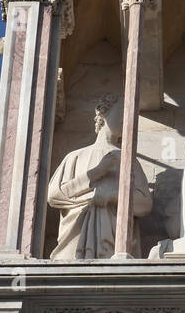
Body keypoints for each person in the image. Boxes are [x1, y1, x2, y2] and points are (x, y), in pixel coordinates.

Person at [48, 97, 152, 259]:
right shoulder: (75, 156)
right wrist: (97, 172)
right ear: (103, 114)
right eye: (122, 113)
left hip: (113, 240)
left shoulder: (128, 161)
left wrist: (112, 196)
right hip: (75, 237)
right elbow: (54, 195)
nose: (127, 120)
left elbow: (145, 204)